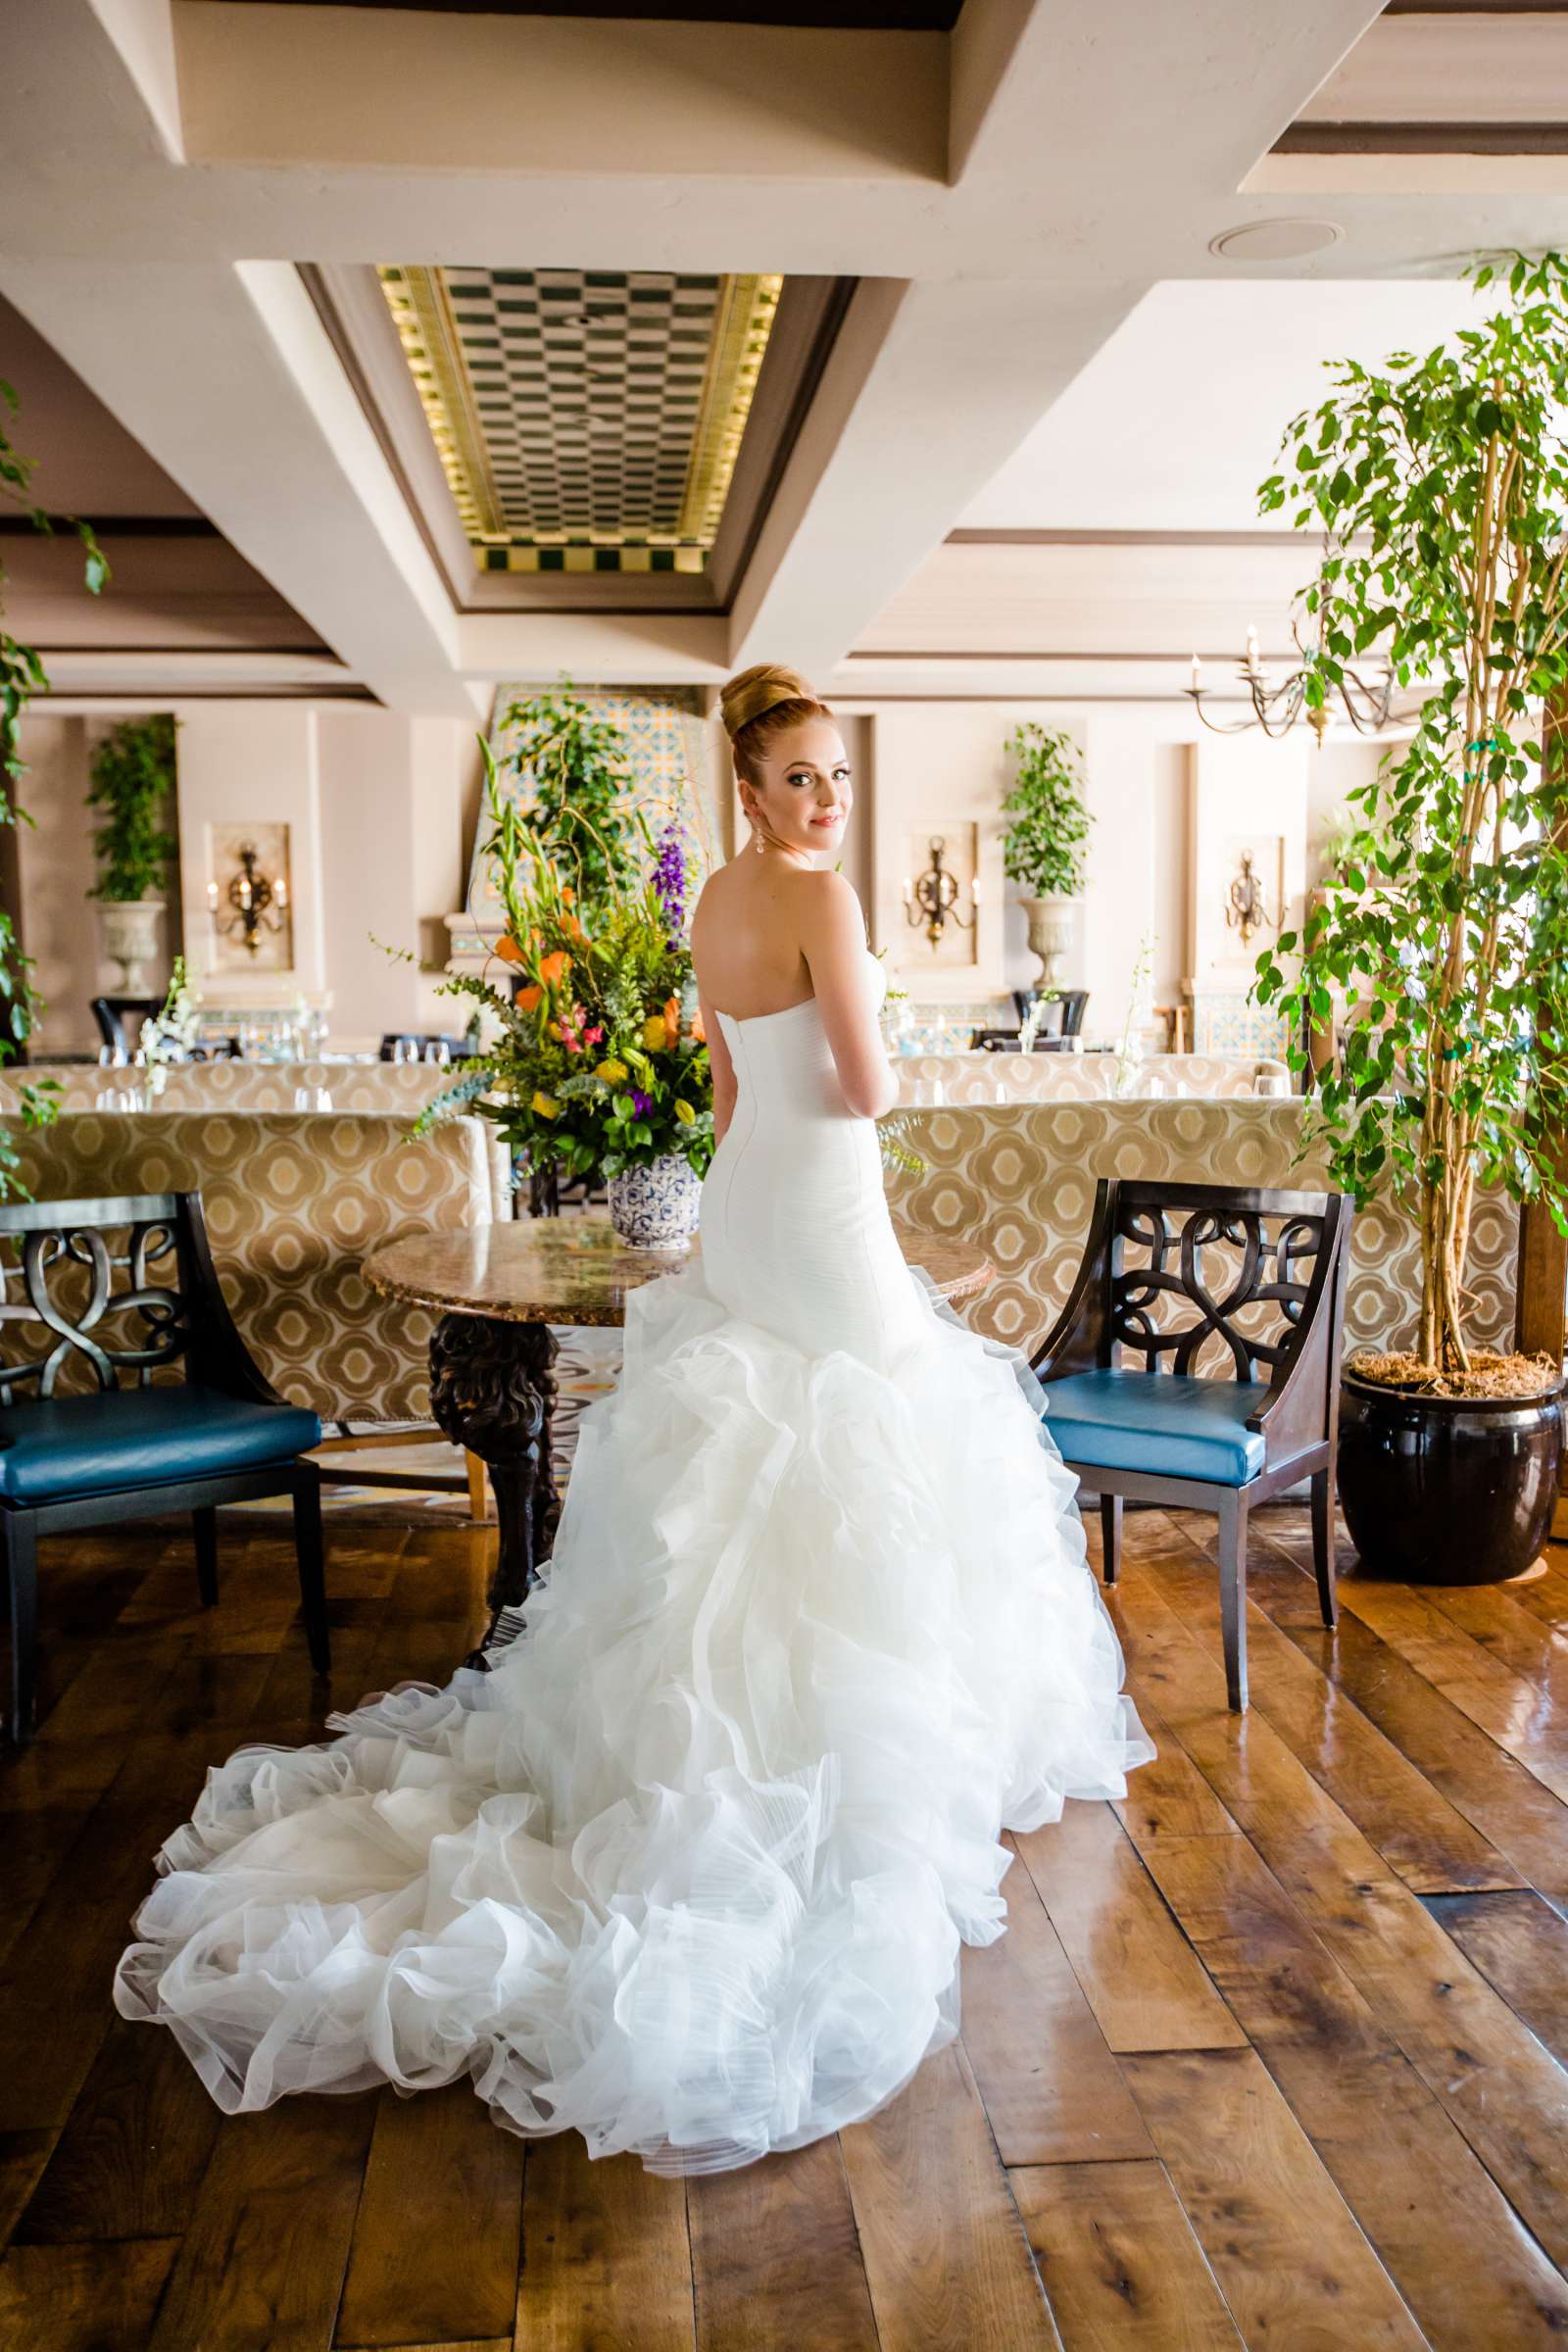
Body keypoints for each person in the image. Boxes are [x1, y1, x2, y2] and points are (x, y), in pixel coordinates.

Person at [111, 663, 1155, 2178]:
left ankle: (709, 1745)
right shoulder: (821, 899)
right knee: (865, 1442)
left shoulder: (719, 903)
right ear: (751, 786)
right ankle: (833, 1764)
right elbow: (863, 1083)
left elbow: (729, 1097)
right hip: (825, 1208)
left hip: (754, 1205)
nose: (828, 802)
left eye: (839, 778)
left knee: (767, 1454)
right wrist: (872, 1025)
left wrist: (772, 1176)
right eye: (802, 779)